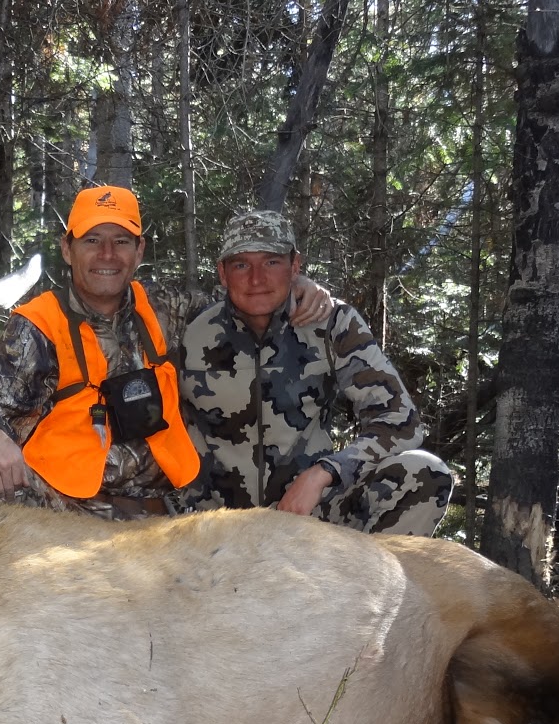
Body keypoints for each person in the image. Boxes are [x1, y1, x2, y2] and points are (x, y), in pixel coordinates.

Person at [0, 187, 329, 521]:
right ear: (67, 248)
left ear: (139, 250)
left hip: (166, 505)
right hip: (64, 504)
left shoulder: (167, 309)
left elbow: (248, 297)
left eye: (122, 241)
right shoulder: (38, 325)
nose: (107, 254)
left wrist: (298, 283)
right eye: (92, 240)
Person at [178, 209, 453, 536]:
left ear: (295, 266)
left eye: (271, 262)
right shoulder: (185, 326)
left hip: (308, 514)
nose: (256, 278)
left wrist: (326, 472)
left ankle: (372, 586)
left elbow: (400, 420)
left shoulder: (332, 323)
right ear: (222, 273)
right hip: (211, 522)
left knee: (425, 472)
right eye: (241, 265)